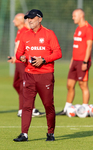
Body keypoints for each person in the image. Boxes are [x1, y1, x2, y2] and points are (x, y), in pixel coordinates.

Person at [13, 9, 62, 142]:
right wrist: (21, 57)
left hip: (45, 75)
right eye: (28, 18)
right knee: (26, 106)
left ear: (40, 19)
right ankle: (24, 134)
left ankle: (50, 133)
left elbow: (58, 53)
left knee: (48, 105)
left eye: (32, 18)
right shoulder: (25, 34)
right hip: (29, 75)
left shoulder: (49, 34)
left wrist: (44, 60)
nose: (29, 20)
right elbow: (18, 53)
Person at [56, 9, 93, 115]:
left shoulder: (88, 28)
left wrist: (85, 62)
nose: (73, 18)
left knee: (83, 85)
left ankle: (85, 109)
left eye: (74, 16)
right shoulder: (77, 29)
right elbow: (76, 46)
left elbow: (89, 46)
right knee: (69, 85)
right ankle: (67, 108)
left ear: (81, 15)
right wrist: (72, 60)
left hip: (83, 61)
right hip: (75, 61)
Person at [7, 13, 44, 117]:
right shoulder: (20, 31)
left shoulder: (24, 30)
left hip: (22, 62)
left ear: (20, 21)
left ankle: (25, 109)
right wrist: (14, 57)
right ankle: (29, 107)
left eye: (15, 19)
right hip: (18, 61)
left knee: (25, 86)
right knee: (16, 84)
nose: (13, 21)